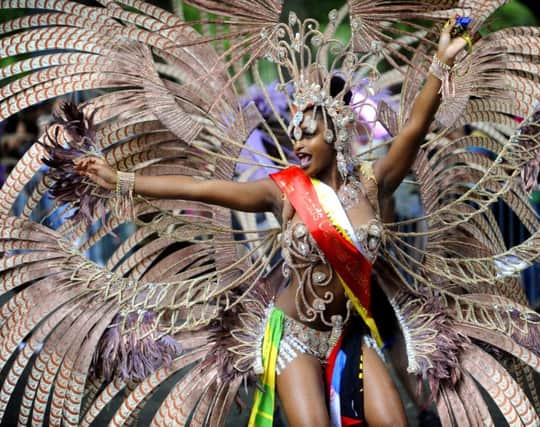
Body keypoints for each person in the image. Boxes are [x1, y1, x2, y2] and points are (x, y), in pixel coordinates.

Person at [72, 16, 468, 427]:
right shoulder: (285, 191)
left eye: (308, 133)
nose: (296, 142)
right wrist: (122, 179)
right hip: (294, 335)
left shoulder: (373, 184)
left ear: (334, 133)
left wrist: (440, 63)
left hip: (349, 334)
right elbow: (199, 188)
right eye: (294, 133)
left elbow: (415, 129)